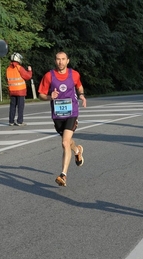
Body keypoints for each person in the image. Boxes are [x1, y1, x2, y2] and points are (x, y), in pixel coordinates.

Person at [38, 51, 87, 187]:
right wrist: (50, 97)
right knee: (67, 142)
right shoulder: (49, 76)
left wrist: (81, 95)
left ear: (68, 61)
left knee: (65, 143)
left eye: (63, 59)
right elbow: (41, 94)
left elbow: (79, 86)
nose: (61, 62)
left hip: (72, 112)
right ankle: (77, 151)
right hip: (57, 115)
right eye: (58, 59)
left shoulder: (74, 74)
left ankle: (63, 175)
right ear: (55, 61)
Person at [6, 52, 32, 126]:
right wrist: (30, 71)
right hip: (20, 90)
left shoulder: (8, 69)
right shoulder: (19, 67)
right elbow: (27, 76)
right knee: (20, 106)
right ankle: (20, 121)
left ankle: (11, 121)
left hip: (12, 90)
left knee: (12, 106)